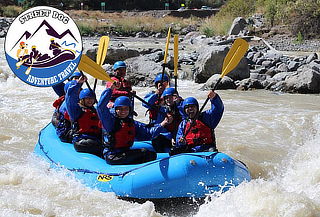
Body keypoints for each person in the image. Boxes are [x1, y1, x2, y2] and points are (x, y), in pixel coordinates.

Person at [97, 84, 173, 165]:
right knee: (145, 153)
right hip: (113, 156)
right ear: (115, 109)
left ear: (129, 110)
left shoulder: (131, 123)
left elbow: (148, 133)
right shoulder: (110, 121)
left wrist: (163, 124)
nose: (123, 111)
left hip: (125, 152)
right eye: (120, 109)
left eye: (126, 109)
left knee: (149, 154)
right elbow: (100, 107)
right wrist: (110, 89)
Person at [171, 90, 224, 154]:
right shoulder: (183, 124)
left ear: (197, 108)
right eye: (187, 107)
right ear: (184, 110)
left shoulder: (206, 117)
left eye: (192, 106)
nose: (190, 109)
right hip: (191, 151)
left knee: (212, 150)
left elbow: (218, 109)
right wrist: (181, 141)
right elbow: (178, 139)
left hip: (207, 150)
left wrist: (214, 98)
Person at [65, 76, 103, 157]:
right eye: (87, 99)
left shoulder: (95, 110)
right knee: (102, 147)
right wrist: (78, 84)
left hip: (93, 139)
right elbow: (70, 98)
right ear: (82, 100)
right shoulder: (76, 111)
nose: (90, 101)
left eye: (92, 99)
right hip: (81, 141)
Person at [150, 87, 185, 152]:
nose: (168, 100)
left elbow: (186, 121)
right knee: (157, 139)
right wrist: (170, 137)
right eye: (166, 98)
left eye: (170, 97)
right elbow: (159, 126)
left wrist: (176, 137)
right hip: (168, 136)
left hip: (180, 136)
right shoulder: (163, 109)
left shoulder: (182, 106)